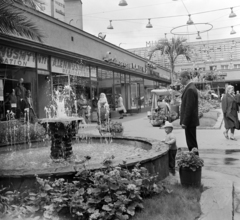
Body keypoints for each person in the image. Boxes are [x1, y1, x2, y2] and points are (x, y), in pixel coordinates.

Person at [179, 71, 199, 154]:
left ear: (186, 78)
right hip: (191, 122)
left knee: (191, 144)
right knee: (191, 143)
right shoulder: (190, 87)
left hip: (190, 122)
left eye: (180, 78)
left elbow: (189, 107)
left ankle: (195, 163)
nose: (179, 80)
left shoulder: (190, 89)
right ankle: (195, 162)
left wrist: (185, 122)